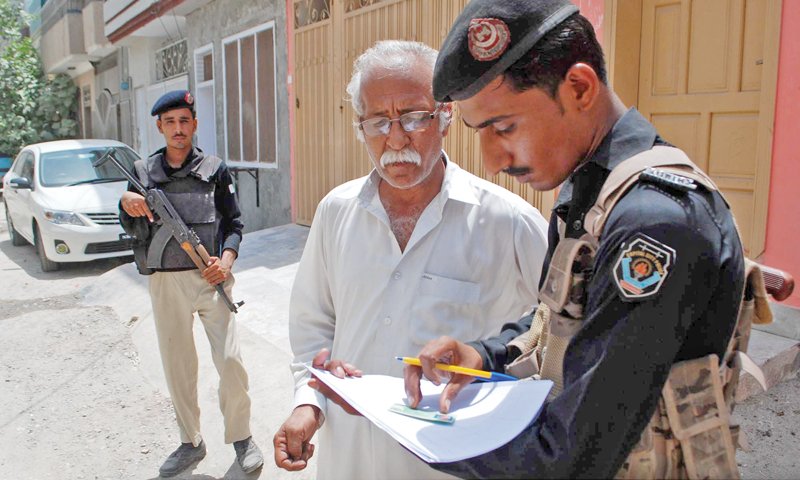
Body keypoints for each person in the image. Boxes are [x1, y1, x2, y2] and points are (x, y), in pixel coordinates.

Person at [401, 0, 746, 478]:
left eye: (504, 128)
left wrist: (420, 430)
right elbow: (561, 318)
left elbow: (572, 458)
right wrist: (485, 354)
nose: (492, 162)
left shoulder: (653, 223)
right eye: (480, 132)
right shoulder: (589, 186)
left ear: (579, 87)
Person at [272, 40, 549, 480]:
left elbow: (555, 335)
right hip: (352, 460)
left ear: (446, 117)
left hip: (458, 463)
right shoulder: (335, 212)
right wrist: (308, 402)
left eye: (415, 117)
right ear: (360, 127)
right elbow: (313, 327)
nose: (396, 138)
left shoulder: (510, 224)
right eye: (378, 121)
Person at [119, 90, 264, 477]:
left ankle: (242, 438)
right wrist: (126, 203)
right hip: (166, 283)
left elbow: (234, 225)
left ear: (194, 124)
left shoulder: (215, 169)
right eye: (170, 123)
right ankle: (190, 442)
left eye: (185, 121)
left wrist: (226, 262)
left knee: (230, 361)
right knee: (178, 366)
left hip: (210, 277)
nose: (178, 129)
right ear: (160, 127)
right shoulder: (144, 171)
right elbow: (131, 228)